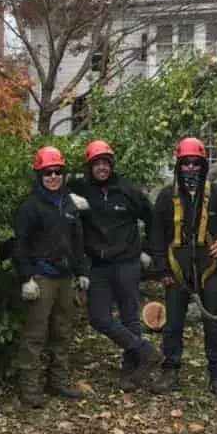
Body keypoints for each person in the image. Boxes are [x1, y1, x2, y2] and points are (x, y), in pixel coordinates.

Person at [149, 137, 217, 399]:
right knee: (173, 325)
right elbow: (156, 234)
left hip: (209, 268)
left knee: (212, 323)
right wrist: (162, 270)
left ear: (202, 165)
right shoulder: (167, 196)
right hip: (177, 269)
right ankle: (170, 371)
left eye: (195, 163)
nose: (190, 168)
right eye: (186, 163)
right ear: (178, 165)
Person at [68, 140, 163, 392]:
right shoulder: (80, 189)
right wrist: (72, 200)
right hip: (98, 265)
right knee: (98, 318)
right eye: (96, 164)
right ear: (89, 167)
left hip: (127, 263)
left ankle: (131, 374)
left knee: (130, 317)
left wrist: (147, 250)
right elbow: (49, 189)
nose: (101, 168)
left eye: (105, 163)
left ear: (111, 165)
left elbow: (152, 218)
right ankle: (146, 351)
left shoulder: (127, 190)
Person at [12, 146, 91, 408]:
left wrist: (82, 273)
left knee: (62, 331)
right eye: (48, 173)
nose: (54, 177)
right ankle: (30, 390)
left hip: (66, 278)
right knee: (35, 335)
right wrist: (27, 278)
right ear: (40, 175)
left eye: (58, 172)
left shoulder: (69, 203)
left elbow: (78, 241)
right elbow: (20, 244)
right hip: (42, 278)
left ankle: (57, 382)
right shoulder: (30, 206)